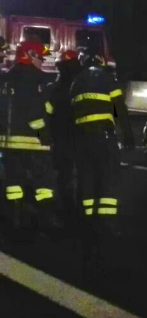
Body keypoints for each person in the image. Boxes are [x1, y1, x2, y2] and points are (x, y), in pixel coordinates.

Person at [69, 51, 134, 241]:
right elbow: (120, 109)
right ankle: (106, 222)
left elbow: (71, 114)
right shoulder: (108, 79)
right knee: (108, 176)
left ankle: (86, 221)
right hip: (104, 137)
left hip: (82, 138)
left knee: (86, 178)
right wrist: (128, 135)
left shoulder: (76, 82)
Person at [0, 41, 55, 232]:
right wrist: (43, 134)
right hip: (34, 141)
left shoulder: (7, 78)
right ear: (30, 56)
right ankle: (46, 220)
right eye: (41, 58)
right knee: (43, 183)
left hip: (8, 141)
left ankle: (16, 219)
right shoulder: (34, 78)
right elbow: (35, 112)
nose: (42, 62)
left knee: (14, 182)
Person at [44, 49, 84, 228]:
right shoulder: (83, 84)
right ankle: (81, 211)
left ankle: (68, 210)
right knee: (82, 174)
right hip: (82, 136)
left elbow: (47, 115)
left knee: (65, 175)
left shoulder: (54, 88)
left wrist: (46, 135)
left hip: (61, 137)